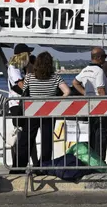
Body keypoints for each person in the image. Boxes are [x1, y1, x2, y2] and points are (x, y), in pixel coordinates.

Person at [23, 52, 70, 167]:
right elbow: (67, 92)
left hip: (32, 112)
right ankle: (43, 165)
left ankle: (19, 165)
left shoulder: (29, 76)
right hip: (49, 112)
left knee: (26, 140)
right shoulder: (55, 77)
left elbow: (24, 93)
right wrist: (57, 101)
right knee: (47, 140)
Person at [73, 47, 107, 163]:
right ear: (99, 57)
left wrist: (85, 93)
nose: (105, 58)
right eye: (104, 56)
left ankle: (91, 161)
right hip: (99, 107)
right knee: (101, 134)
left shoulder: (85, 70)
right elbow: (100, 90)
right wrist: (106, 106)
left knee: (91, 135)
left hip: (88, 106)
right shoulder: (98, 71)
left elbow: (75, 82)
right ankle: (100, 161)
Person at [7, 43, 34, 172]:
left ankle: (25, 163)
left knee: (28, 135)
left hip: (23, 103)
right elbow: (22, 85)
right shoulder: (14, 67)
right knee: (22, 135)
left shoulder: (21, 67)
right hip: (17, 104)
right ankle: (17, 165)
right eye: (28, 54)